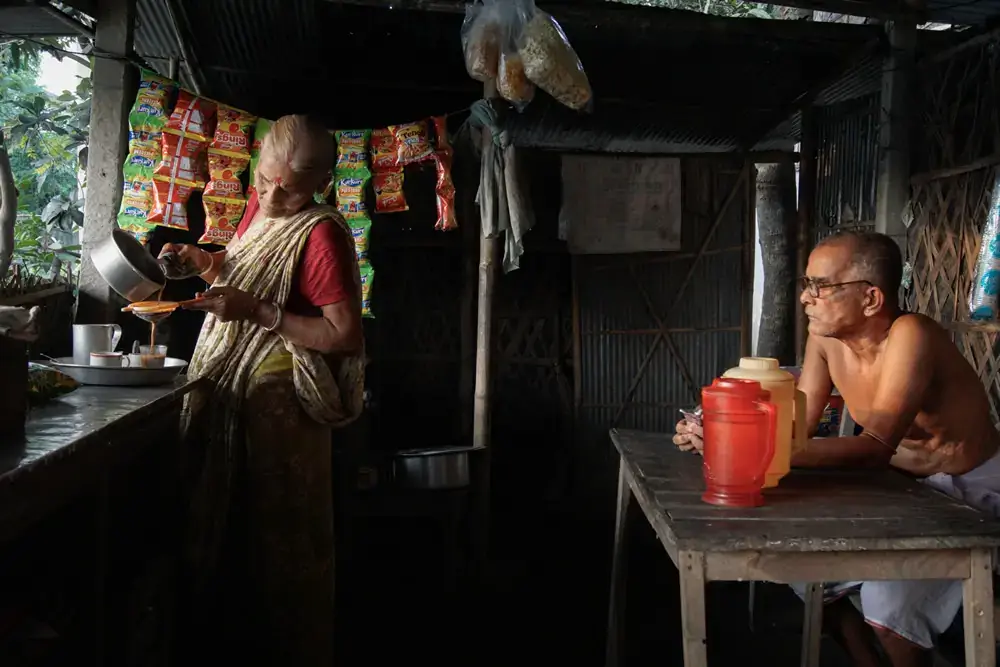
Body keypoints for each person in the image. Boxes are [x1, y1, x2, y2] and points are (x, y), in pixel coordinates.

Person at [673, 231, 1000, 667]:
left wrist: (745, 449)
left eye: (820, 286)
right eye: (806, 285)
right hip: (905, 488)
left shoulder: (912, 334)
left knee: (888, 607)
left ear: (870, 299)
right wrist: (718, 432)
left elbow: (874, 448)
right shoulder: (825, 340)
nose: (807, 298)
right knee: (805, 572)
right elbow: (796, 433)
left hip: (972, 491)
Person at [160, 114, 364, 666]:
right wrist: (204, 263)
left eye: (291, 189)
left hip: (280, 401)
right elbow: (241, 265)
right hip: (231, 376)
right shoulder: (263, 204)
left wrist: (257, 312)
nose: (274, 196)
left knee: (278, 541)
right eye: (266, 181)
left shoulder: (320, 234)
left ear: (320, 183)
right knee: (225, 526)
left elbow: (344, 335)